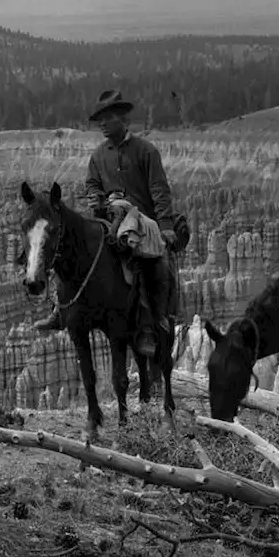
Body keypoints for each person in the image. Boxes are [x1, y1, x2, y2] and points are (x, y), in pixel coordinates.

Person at [34, 90, 186, 358]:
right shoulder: (98, 156)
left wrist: (165, 225)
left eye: (108, 118)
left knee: (152, 263)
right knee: (68, 252)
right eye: (100, 120)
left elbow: (160, 190)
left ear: (124, 120)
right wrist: (96, 196)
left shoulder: (146, 151)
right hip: (107, 219)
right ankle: (62, 308)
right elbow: (92, 183)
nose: (102, 124)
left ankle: (150, 324)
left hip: (141, 221)